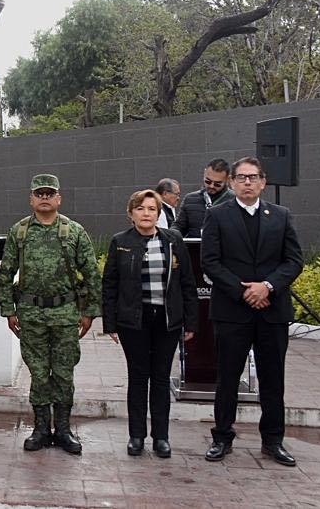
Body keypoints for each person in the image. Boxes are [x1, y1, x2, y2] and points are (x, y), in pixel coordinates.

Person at [202, 157, 303, 467]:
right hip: (233, 311)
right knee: (228, 377)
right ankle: (222, 437)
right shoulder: (217, 216)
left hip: (272, 311)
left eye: (253, 177)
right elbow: (210, 261)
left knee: (273, 379)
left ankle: (273, 441)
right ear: (232, 183)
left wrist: (267, 287)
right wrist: (244, 290)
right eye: (241, 177)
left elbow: (293, 261)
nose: (247, 182)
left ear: (263, 182)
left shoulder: (281, 216)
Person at [0, 174, 101, 454]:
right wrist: (8, 310)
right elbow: (6, 274)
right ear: (31, 199)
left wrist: (90, 311)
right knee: (39, 373)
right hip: (31, 315)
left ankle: (64, 430)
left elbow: (91, 273)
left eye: (49, 193)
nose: (44, 197)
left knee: (64, 373)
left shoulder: (74, 231)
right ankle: (41, 429)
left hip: (66, 314)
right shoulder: (18, 232)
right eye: (39, 193)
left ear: (59, 198)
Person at [102, 189, 198, 458]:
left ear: (159, 213)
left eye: (152, 209)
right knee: (138, 377)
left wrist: (190, 321)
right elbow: (110, 284)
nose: (147, 214)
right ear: (131, 213)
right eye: (141, 208)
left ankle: (161, 437)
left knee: (160, 378)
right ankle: (136, 436)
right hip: (133, 322)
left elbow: (187, 283)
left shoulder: (173, 239)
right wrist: (110, 323)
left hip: (166, 322)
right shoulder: (120, 241)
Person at [172, 159, 233, 238]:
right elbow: (179, 226)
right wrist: (171, 234)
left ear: (227, 180)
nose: (211, 186)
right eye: (208, 181)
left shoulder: (235, 200)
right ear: (204, 173)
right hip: (195, 248)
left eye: (217, 184)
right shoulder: (190, 199)